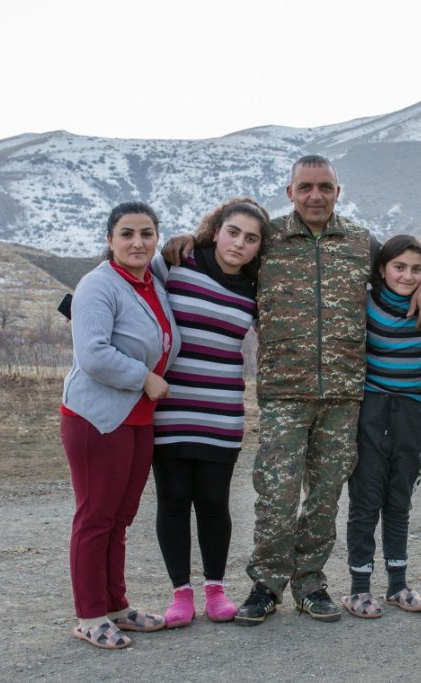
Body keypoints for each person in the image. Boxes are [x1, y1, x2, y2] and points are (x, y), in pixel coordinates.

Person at [164, 155, 421, 626]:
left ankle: (310, 582)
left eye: (325, 187)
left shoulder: (358, 243)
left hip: (344, 396)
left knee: (326, 494)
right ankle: (267, 584)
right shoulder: (267, 240)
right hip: (285, 392)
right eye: (305, 187)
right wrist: (190, 239)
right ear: (290, 192)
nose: (315, 195)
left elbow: (398, 268)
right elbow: (225, 252)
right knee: (277, 493)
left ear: (337, 192)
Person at [60, 201, 181, 649]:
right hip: (97, 418)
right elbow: (91, 354)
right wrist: (144, 377)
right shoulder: (98, 285)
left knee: (119, 518)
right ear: (110, 240)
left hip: (139, 419)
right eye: (127, 233)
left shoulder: (153, 283)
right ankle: (90, 615)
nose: (137, 242)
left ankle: (116, 606)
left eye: (147, 233)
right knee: (95, 516)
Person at [148, 198, 269, 627]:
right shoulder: (177, 264)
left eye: (251, 238)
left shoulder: (257, 288)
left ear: (259, 247)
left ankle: (215, 590)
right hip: (170, 408)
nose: (239, 243)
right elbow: (127, 283)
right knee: (174, 501)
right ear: (216, 230)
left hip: (221, 412)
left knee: (215, 504)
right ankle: (181, 595)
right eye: (233, 232)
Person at [342, 235, 421, 619]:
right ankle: (358, 591)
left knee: (400, 500)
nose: (408, 275)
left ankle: (398, 585)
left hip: (413, 410)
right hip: (372, 410)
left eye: (417, 269)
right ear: (381, 269)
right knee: (365, 500)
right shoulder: (363, 302)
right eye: (399, 267)